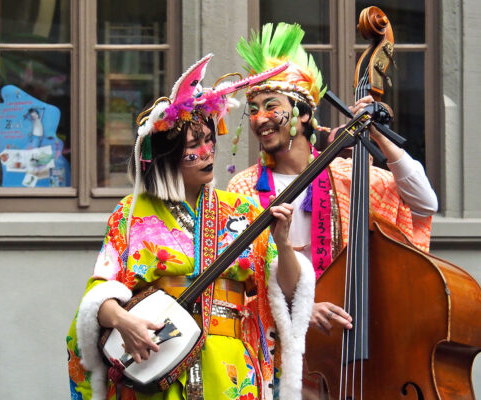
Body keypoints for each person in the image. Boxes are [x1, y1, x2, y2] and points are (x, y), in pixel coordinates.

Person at [66, 54, 314, 400]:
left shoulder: (241, 210)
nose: (208, 151)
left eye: (209, 140)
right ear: (168, 157)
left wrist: (284, 243)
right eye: (193, 145)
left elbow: (285, 292)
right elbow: (99, 295)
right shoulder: (132, 212)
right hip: (156, 363)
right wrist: (125, 323)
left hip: (229, 369)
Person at [227, 23, 438, 335]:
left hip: (342, 333)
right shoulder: (242, 189)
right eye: (254, 109)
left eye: (272, 107)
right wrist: (302, 308)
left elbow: (424, 203)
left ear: (302, 114)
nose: (259, 118)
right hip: (274, 339)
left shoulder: (345, 176)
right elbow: (240, 277)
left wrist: (379, 136)